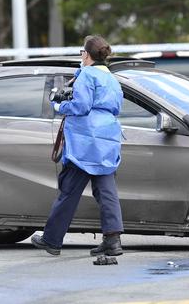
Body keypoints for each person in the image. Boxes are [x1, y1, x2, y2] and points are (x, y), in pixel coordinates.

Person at [31, 35, 124, 256]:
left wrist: (60, 105)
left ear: (86, 54)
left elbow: (81, 106)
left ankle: (52, 240)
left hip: (85, 141)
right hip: (107, 138)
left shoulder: (86, 75)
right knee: (107, 191)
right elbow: (117, 107)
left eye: (82, 52)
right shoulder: (112, 78)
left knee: (69, 190)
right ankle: (113, 241)